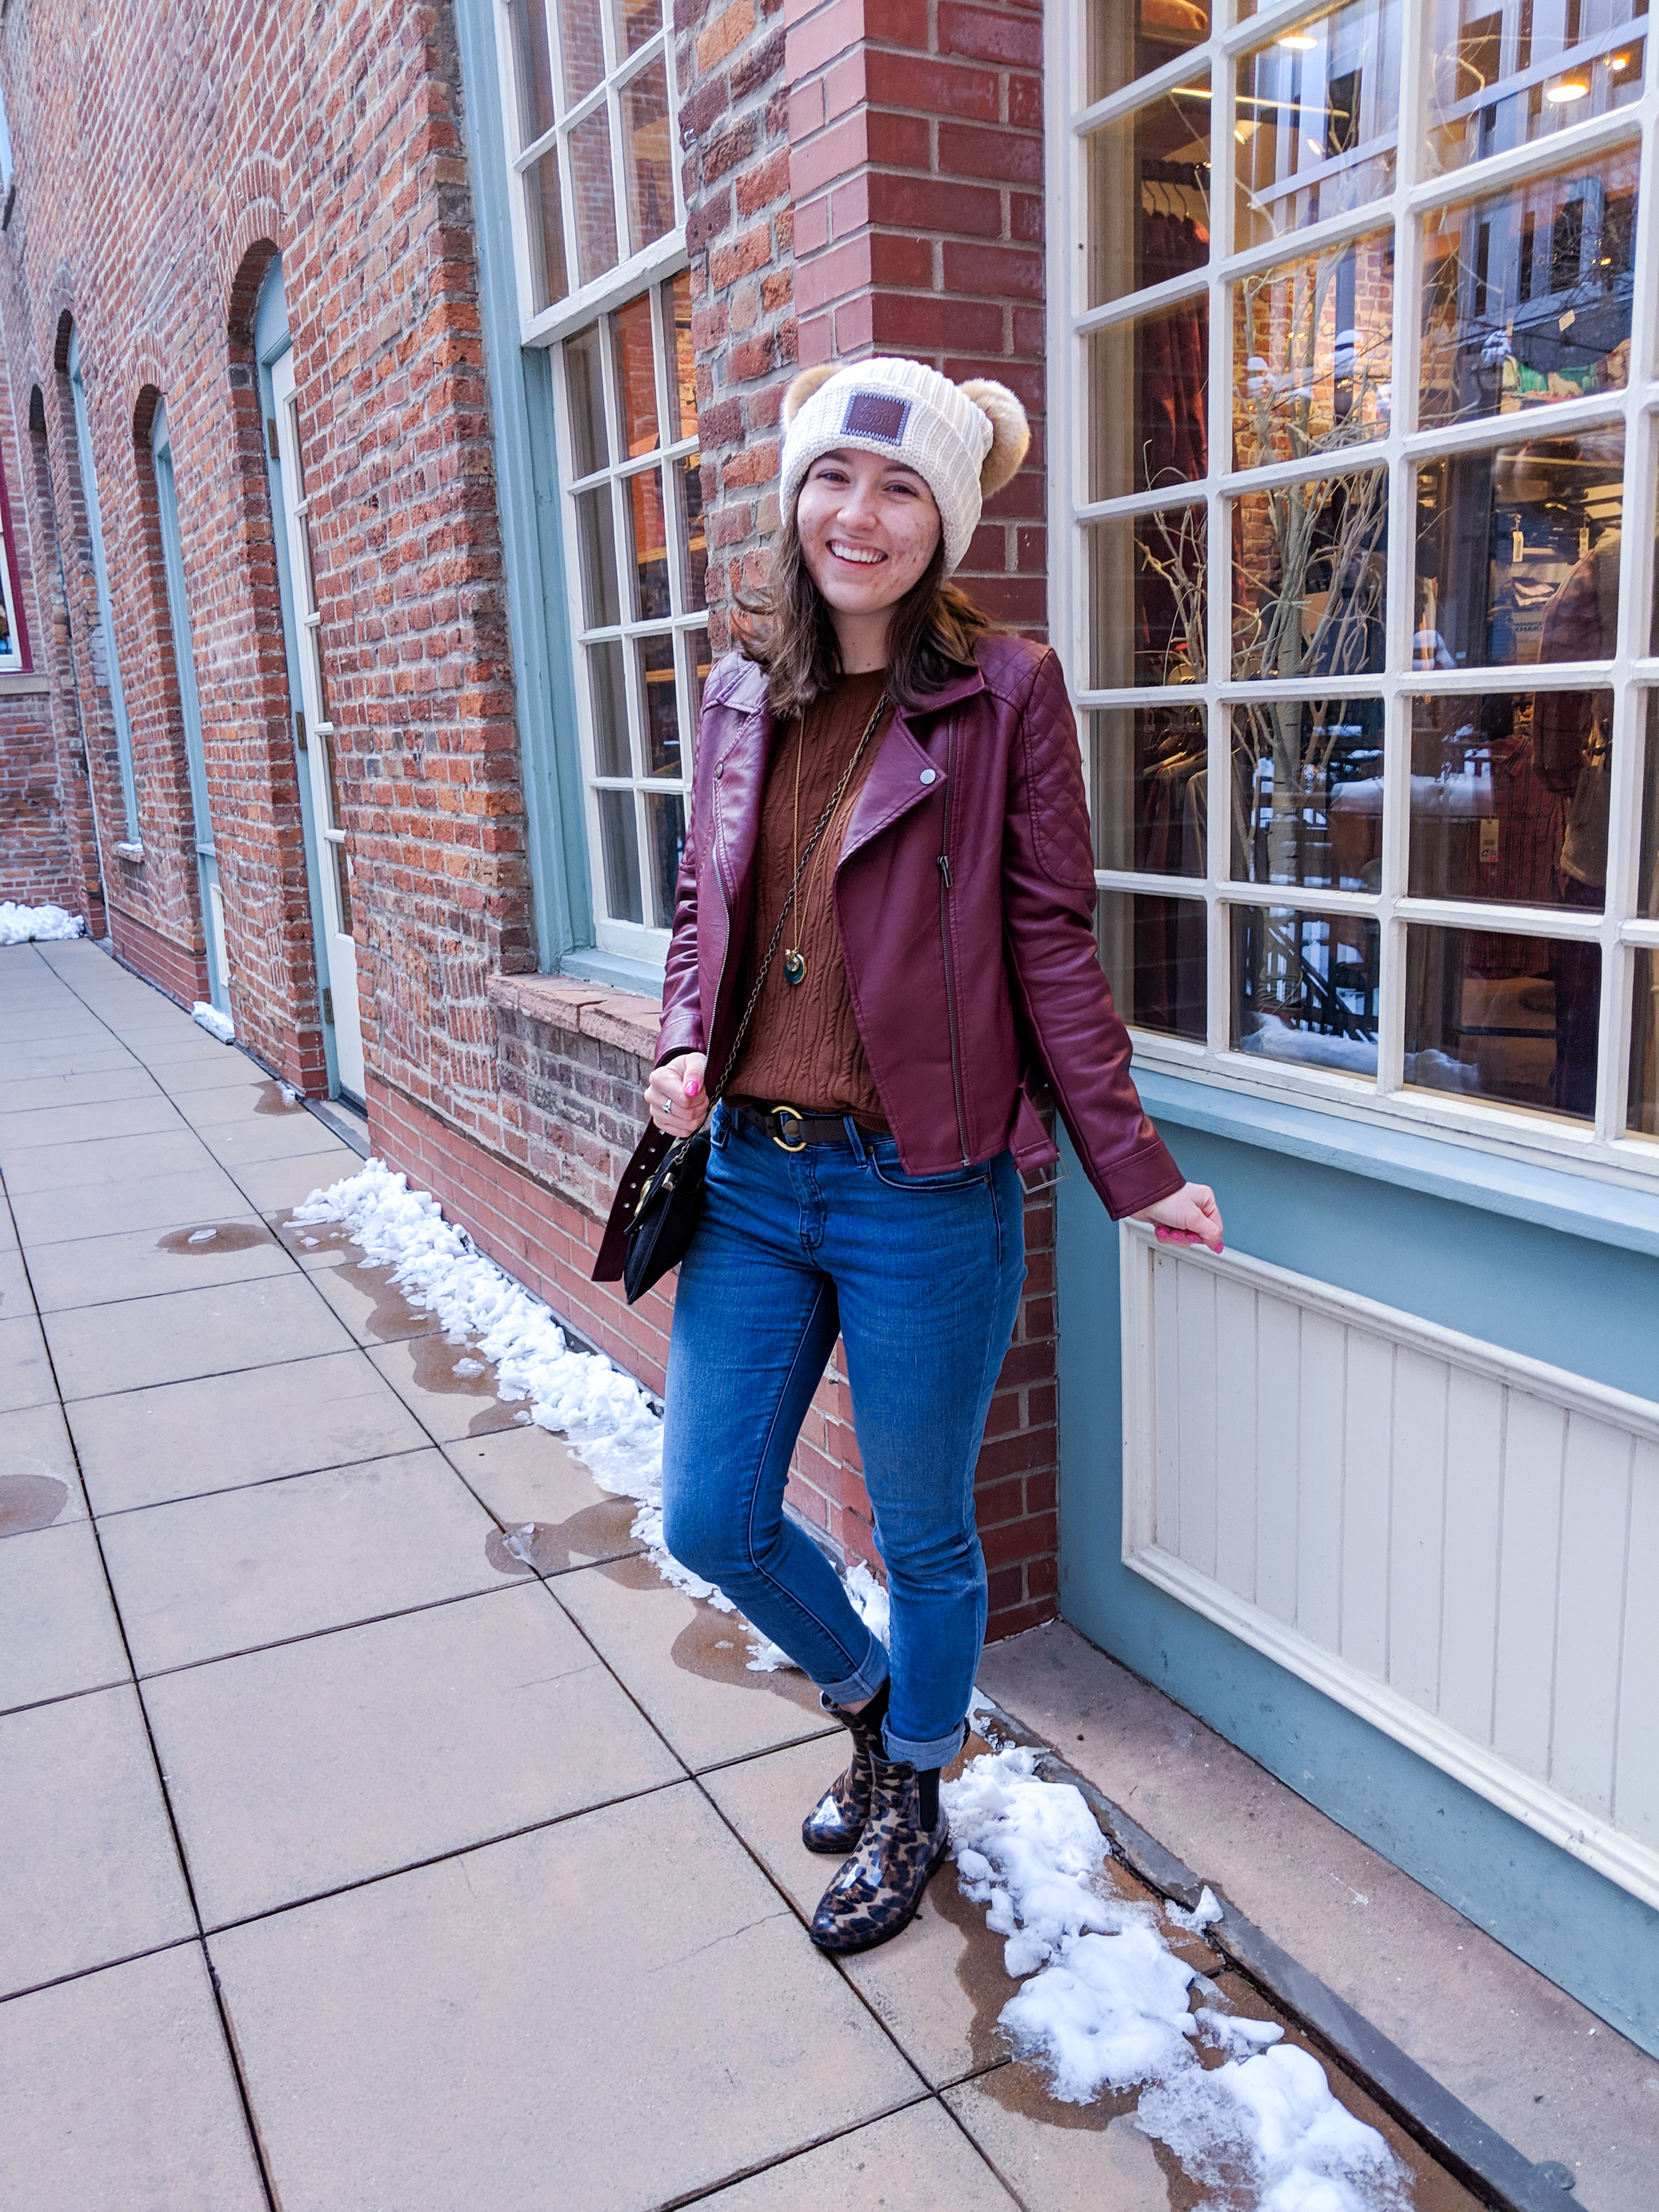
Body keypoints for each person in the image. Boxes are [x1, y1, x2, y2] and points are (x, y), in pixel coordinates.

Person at [595, 357, 1222, 1954]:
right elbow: (703, 907)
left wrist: (1131, 1165)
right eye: (833, 479)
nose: (857, 515)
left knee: (927, 1534)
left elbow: (1052, 943)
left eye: (899, 490)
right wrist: (684, 1038)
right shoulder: (741, 684)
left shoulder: (1003, 690)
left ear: (941, 521)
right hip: (746, 1172)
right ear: (795, 492)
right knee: (711, 1516)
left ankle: (919, 1793)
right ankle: (878, 1712)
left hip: (918, 1188)